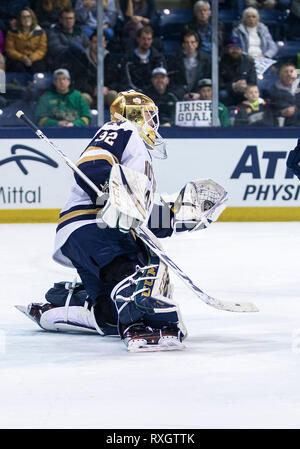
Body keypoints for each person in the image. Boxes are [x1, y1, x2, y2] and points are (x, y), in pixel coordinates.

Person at [18, 89, 227, 352]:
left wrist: (175, 216)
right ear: (134, 114)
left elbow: (143, 217)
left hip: (90, 234)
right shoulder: (122, 128)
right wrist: (108, 186)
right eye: (149, 116)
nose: (153, 123)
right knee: (147, 266)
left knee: (109, 317)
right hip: (95, 226)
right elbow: (91, 166)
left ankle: (64, 305)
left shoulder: (141, 157)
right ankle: (141, 319)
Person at [71, 31, 119, 109]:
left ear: (105, 44)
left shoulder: (111, 59)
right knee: (83, 98)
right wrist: (93, 90)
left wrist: (107, 88)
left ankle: (118, 120)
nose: (98, 45)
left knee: (113, 94)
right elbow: (79, 81)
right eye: (95, 42)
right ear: (90, 43)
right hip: (89, 94)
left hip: (106, 93)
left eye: (101, 42)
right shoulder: (82, 59)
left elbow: (117, 80)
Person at [120, 25, 166, 92]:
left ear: (152, 40)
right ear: (138, 39)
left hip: (154, 94)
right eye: (143, 39)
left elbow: (161, 78)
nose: (146, 42)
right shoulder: (128, 58)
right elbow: (127, 81)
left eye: (149, 39)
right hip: (135, 95)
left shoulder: (158, 58)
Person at [167, 30, 211, 99]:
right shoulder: (175, 59)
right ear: (183, 44)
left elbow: (208, 77)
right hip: (180, 95)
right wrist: (182, 94)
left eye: (192, 42)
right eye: (187, 43)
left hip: (200, 94)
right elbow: (172, 80)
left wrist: (199, 94)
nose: (190, 45)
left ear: (197, 44)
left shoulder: (206, 59)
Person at [5, 7, 48, 74]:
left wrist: (31, 58)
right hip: (18, 59)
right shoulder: (12, 32)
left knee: (40, 67)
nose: (26, 19)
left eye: (28, 16)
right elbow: (10, 50)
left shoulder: (40, 32)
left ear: (32, 18)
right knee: (16, 66)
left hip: (35, 59)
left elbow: (42, 49)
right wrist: (23, 58)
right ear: (19, 19)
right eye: (23, 17)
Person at [219, 36, 258, 106]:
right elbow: (218, 83)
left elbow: (253, 81)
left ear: (241, 50)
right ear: (227, 49)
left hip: (244, 91)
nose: (235, 51)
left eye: (237, 48)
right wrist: (233, 86)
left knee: (253, 93)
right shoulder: (221, 62)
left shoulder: (248, 61)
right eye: (232, 48)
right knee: (222, 94)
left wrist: (246, 86)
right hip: (228, 91)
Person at [269, 62, 300, 126]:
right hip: (286, 128)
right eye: (286, 72)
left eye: (292, 71)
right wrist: (281, 113)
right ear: (280, 75)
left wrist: (296, 111)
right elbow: (270, 112)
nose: (289, 74)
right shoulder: (273, 91)